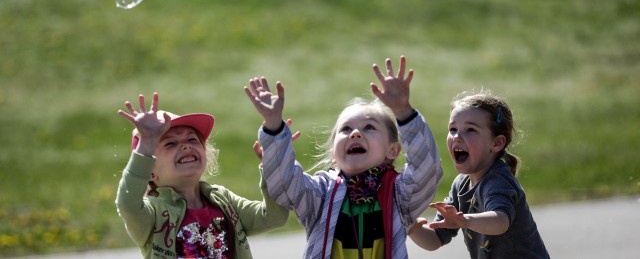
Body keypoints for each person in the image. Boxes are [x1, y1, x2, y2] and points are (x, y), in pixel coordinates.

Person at [244, 56, 443, 259]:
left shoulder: (399, 194)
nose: (355, 134)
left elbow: (427, 171)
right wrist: (274, 127)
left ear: (392, 151)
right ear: (333, 155)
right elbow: (285, 185)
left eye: (369, 127)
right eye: (346, 129)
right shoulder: (321, 193)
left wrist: (403, 112)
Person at [115, 92, 289, 259]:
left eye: (192, 139)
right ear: (149, 171)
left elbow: (274, 217)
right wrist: (147, 142)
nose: (185, 146)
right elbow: (127, 203)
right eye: (170, 143)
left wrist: (272, 166)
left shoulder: (224, 201)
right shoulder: (152, 214)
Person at [408, 92, 549, 258]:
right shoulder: (460, 184)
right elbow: (435, 240)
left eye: (470, 130)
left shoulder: (497, 181)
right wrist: (410, 227)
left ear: (496, 143)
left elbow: (500, 221)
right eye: (453, 129)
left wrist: (466, 220)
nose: (457, 137)